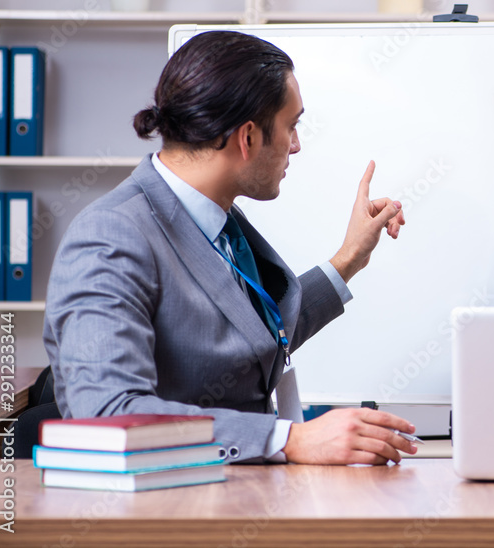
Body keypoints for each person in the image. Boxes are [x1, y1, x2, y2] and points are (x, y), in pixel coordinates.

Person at [44, 30, 416, 465]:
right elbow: (107, 412)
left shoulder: (219, 221)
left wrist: (349, 258)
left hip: (242, 496)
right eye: (291, 127)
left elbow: (253, 338)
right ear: (248, 138)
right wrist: (288, 440)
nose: (296, 145)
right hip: (163, 516)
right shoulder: (110, 237)